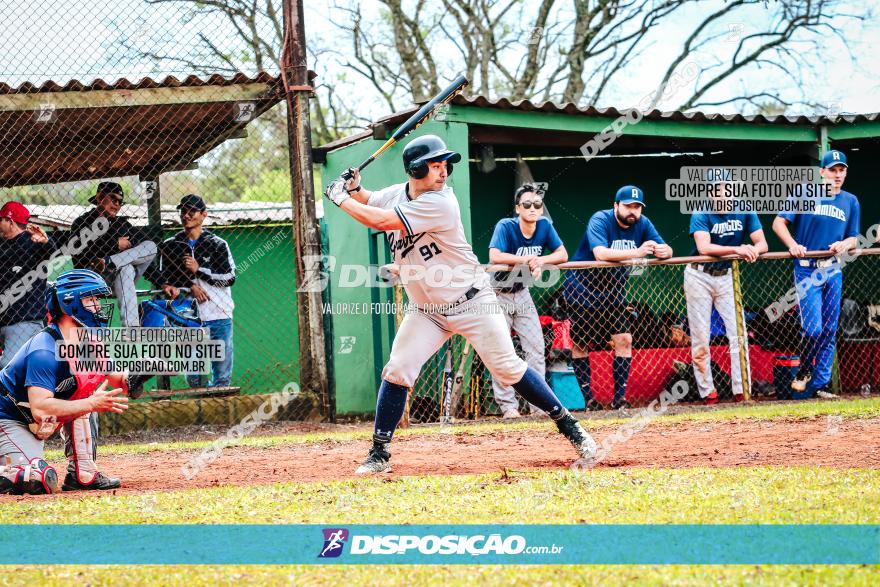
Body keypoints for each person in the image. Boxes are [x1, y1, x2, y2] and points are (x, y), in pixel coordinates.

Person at [324, 134, 597, 474]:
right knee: (397, 370)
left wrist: (339, 199)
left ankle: (572, 428)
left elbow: (379, 221)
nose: (442, 172)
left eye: (444, 166)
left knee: (509, 368)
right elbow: (370, 201)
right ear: (415, 168)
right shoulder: (397, 193)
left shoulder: (441, 202)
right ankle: (379, 454)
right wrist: (352, 188)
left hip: (472, 303)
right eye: (435, 166)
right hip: (426, 311)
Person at [0, 270, 129, 494]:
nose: (98, 306)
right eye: (91, 299)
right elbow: (41, 408)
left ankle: (83, 474)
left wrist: (141, 374)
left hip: (37, 420)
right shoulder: (44, 349)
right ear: (71, 304)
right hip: (10, 419)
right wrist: (91, 403)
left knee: (85, 398)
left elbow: (117, 379)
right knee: (35, 478)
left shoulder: (89, 341)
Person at [564, 186, 673, 411]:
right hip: (583, 290)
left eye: (637, 207)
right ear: (616, 206)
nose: (632, 211)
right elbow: (601, 254)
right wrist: (639, 252)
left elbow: (667, 248)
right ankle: (590, 401)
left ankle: (619, 400)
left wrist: (664, 252)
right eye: (628, 206)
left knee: (624, 340)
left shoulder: (643, 224)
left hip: (613, 292)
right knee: (582, 343)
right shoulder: (600, 219)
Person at [772, 149, 860, 399]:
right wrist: (792, 244)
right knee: (813, 329)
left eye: (841, 170)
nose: (837, 174)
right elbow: (778, 222)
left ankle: (819, 385)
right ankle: (804, 371)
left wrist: (845, 245)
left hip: (833, 269)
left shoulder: (850, 201)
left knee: (830, 329)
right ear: (822, 172)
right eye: (832, 170)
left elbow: (853, 236)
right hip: (807, 270)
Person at [685, 170, 768, 404]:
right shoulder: (701, 211)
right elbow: (704, 248)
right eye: (719, 190)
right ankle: (708, 393)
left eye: (729, 189)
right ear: (710, 193)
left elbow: (762, 243)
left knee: (738, 334)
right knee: (701, 337)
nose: (725, 194)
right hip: (698, 276)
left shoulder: (745, 209)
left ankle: (742, 391)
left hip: (727, 276)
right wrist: (738, 249)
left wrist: (751, 249)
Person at [488, 183, 568, 418]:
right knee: (502, 350)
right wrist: (526, 260)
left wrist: (541, 261)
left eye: (537, 204)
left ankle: (538, 405)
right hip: (498, 292)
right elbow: (494, 256)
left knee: (535, 348)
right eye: (527, 204)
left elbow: (562, 254)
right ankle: (508, 407)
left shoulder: (544, 226)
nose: (532, 208)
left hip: (522, 293)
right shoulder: (506, 225)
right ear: (518, 208)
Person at [159, 194, 236, 388]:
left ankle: (220, 412)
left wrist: (198, 270)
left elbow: (228, 279)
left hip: (218, 313)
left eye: (191, 211)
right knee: (194, 376)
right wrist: (186, 287)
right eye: (183, 211)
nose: (186, 215)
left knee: (222, 376)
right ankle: (203, 406)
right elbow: (166, 280)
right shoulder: (170, 246)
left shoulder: (218, 244)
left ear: (204, 215)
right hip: (187, 317)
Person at [68, 182, 157, 327]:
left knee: (150, 247)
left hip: (119, 279)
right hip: (93, 276)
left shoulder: (122, 224)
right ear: (99, 197)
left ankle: (130, 328)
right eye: (113, 199)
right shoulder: (82, 222)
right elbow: (79, 252)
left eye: (120, 202)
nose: (117, 204)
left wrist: (163, 282)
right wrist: (114, 244)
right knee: (126, 266)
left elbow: (140, 253)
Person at [0, 202, 55, 368]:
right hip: (4, 318)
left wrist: (46, 243)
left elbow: (50, 252)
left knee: (9, 368)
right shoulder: (2, 244)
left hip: (24, 320)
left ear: (10, 221)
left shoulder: (33, 242)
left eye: (0, 219)